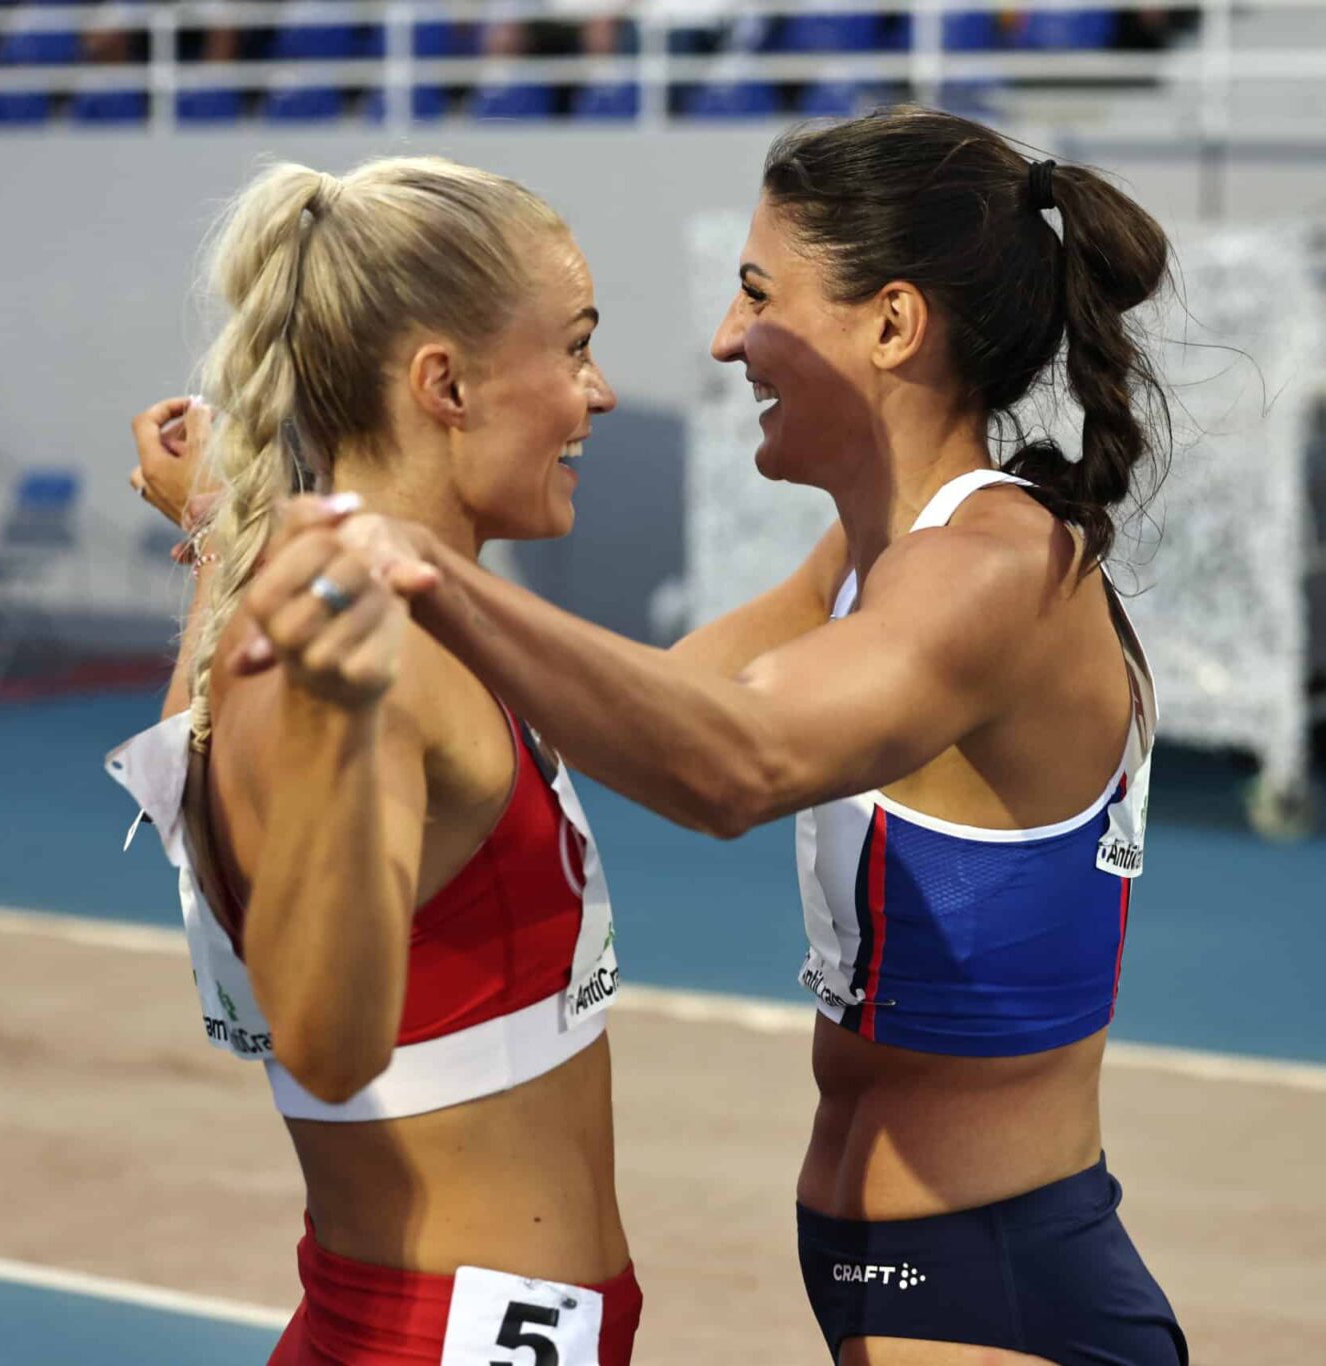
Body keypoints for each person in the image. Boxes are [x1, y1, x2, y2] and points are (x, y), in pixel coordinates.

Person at [235, 107, 1188, 1366]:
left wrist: (421, 566)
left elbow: (732, 765)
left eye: (758, 293)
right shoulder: (868, 557)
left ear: (892, 325)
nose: (727, 337)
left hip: (989, 1278)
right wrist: (238, 531)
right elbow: (634, 711)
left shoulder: (990, 570)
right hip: (901, 1267)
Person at [108, 155, 641, 1365]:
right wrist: (343, 723)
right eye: (573, 348)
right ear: (444, 384)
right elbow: (324, 1038)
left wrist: (215, 528)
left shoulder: (314, 617)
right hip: (451, 1334)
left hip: (426, 1318)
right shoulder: (365, 661)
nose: (598, 393)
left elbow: (682, 718)